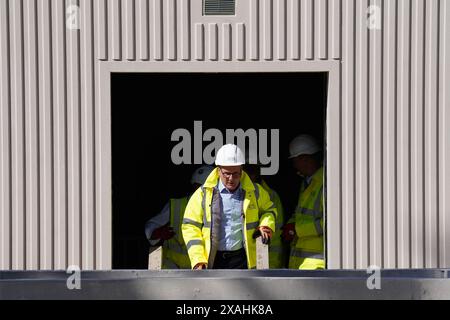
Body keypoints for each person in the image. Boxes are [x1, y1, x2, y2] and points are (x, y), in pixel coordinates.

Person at [181, 144, 277, 269]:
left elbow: (269, 210)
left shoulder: (255, 191)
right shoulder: (203, 193)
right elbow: (190, 226)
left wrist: (266, 225)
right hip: (213, 260)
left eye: (236, 173)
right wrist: (198, 260)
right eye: (226, 174)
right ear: (218, 170)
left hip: (243, 260)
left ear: (242, 169)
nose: (231, 178)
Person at [145, 165, 214, 269]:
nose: (198, 191)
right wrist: (158, 233)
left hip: (202, 270)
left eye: (202, 188)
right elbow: (150, 229)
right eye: (196, 186)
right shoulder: (176, 205)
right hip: (173, 270)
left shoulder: (219, 209)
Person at [282, 134, 325, 270]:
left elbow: (331, 224)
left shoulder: (325, 183)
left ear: (305, 158)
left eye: (295, 160)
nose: (295, 165)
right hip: (301, 262)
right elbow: (300, 213)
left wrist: (297, 230)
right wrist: (290, 225)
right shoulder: (307, 182)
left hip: (317, 263)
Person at [244, 161, 286, 269]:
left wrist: (272, 263)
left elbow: (277, 229)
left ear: (259, 171)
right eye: (248, 169)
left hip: (269, 258)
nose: (251, 174)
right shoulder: (234, 193)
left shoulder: (271, 195)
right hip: (243, 261)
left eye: (254, 169)